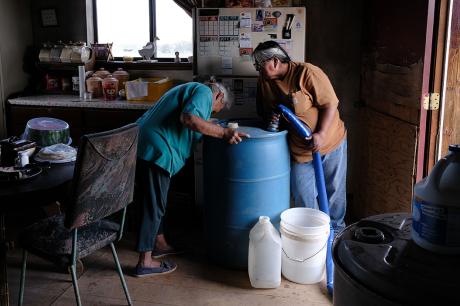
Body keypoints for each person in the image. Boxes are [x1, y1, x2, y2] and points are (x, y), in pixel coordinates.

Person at [134, 80, 248, 277]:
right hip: (157, 148)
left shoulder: (193, 90)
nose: (213, 114)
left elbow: (196, 119)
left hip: (146, 143)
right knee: (153, 204)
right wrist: (223, 132)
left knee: (155, 200)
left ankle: (159, 243)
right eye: (216, 110)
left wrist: (212, 125)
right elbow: (189, 119)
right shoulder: (204, 92)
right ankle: (145, 261)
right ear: (219, 96)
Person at [253, 40, 347, 233]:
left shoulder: (307, 73)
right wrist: (271, 116)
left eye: (259, 65)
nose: (258, 70)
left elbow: (330, 104)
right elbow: (264, 111)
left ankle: (336, 232)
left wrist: (320, 133)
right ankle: (312, 235)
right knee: (303, 196)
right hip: (300, 151)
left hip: (329, 143)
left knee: (333, 191)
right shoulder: (264, 82)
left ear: (275, 61)